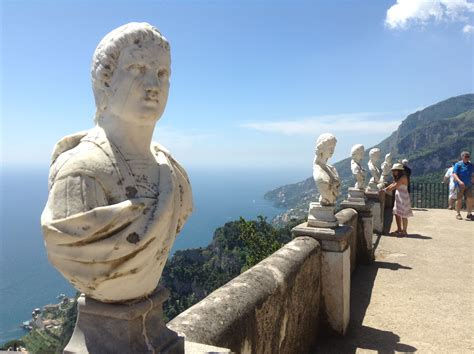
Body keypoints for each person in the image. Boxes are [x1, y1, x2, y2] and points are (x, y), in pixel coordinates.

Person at [41, 23, 193, 303]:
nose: (153, 85)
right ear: (105, 81)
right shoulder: (81, 173)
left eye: (162, 74)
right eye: (137, 69)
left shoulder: (172, 173)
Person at [383, 163, 413, 236]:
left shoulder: (403, 177)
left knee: (404, 214)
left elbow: (395, 186)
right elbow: (393, 184)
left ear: (399, 171)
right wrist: (385, 189)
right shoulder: (398, 178)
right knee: (397, 213)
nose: (393, 172)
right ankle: (399, 229)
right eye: (393, 170)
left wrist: (384, 191)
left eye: (395, 170)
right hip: (399, 197)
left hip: (403, 198)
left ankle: (404, 231)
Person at [453, 151, 473, 220]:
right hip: (460, 185)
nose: (467, 158)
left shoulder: (471, 165)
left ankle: (469, 214)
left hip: (469, 185)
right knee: (459, 199)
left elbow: (472, 174)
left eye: (468, 156)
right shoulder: (458, 164)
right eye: (466, 156)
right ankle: (458, 213)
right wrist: (459, 181)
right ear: (462, 157)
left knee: (470, 199)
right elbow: (454, 174)